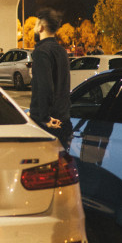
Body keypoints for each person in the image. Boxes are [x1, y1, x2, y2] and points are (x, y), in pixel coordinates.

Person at [29, 8, 72, 149]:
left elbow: (45, 87)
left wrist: (44, 117)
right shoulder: (62, 51)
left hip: (47, 124)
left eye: (36, 25)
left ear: (40, 27)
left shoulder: (41, 52)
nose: (34, 29)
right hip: (63, 120)